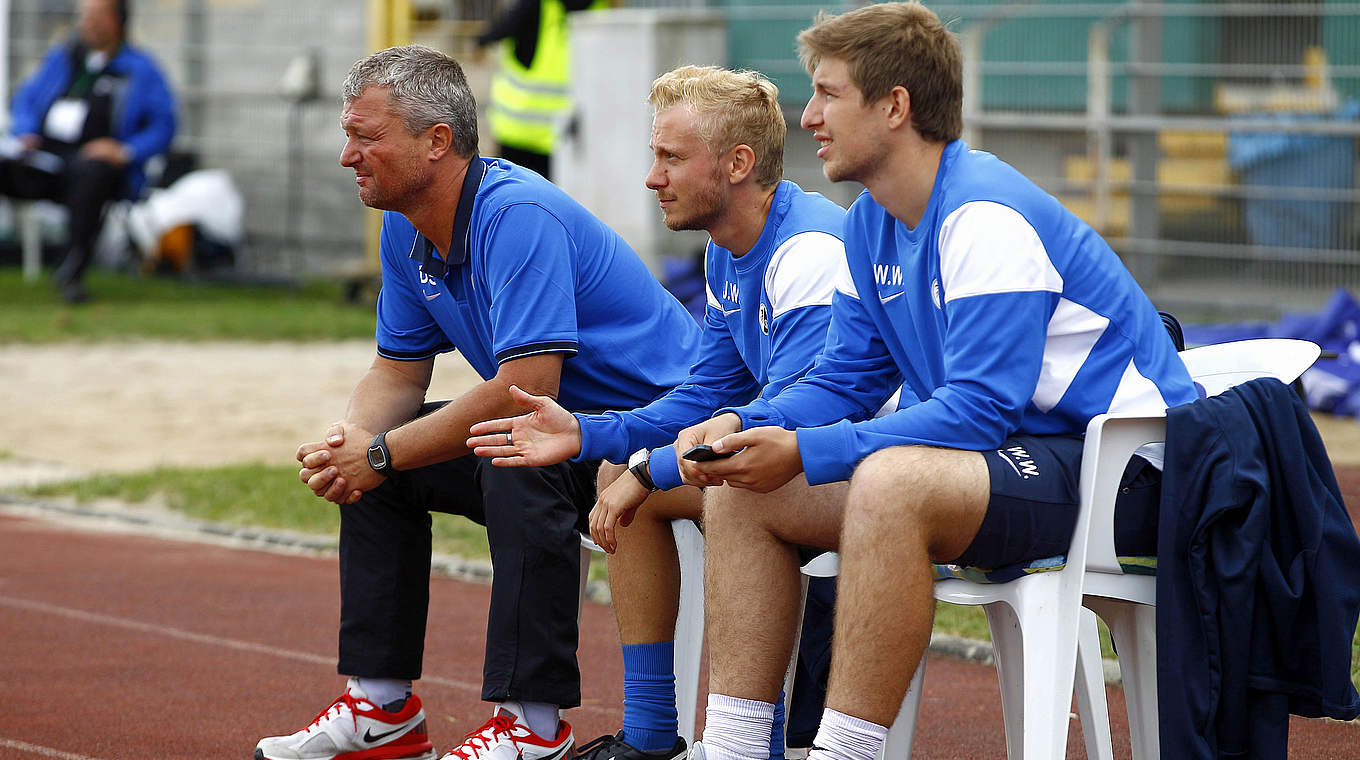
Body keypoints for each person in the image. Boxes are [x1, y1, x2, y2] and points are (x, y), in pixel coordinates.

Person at [666, 5, 1200, 760]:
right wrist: (749, 423)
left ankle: (843, 752)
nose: (809, 115)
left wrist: (811, 448)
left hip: (1130, 475)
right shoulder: (869, 224)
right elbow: (842, 381)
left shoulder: (984, 214)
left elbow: (978, 412)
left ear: (894, 106)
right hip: (1026, 456)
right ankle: (735, 749)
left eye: (827, 93)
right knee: (745, 490)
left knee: (891, 483)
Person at [253, 45, 701, 760]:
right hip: (562, 433)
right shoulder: (404, 225)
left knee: (507, 446)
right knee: (390, 461)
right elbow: (398, 374)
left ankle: (535, 724)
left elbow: (529, 386)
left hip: (646, 440)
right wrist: (354, 447)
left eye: (366, 137)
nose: (348, 156)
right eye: (348, 135)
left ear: (436, 143)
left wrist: (379, 451)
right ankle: (382, 708)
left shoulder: (514, 214)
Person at [466, 65, 861, 760]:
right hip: (807, 465)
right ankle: (651, 738)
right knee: (626, 470)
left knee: (722, 488)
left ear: (739, 164)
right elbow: (703, 396)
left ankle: (749, 739)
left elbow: (795, 418)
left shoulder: (808, 251)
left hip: (860, 474)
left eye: (671, 158)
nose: (653, 177)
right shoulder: (727, 251)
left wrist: (651, 469)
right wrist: (586, 434)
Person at [1, 0, 176, 303]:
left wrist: (125, 150)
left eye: (97, 16)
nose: (87, 23)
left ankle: (70, 272)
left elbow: (165, 125)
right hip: (44, 156)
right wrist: (26, 131)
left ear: (117, 22)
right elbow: (25, 99)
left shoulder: (140, 69)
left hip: (95, 167)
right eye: (84, 16)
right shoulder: (63, 58)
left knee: (93, 172)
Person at [475, 0, 606, 180]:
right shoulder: (604, 8)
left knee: (516, 199)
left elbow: (492, 35)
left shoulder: (536, 5)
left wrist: (480, 42)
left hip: (519, 130)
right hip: (567, 137)